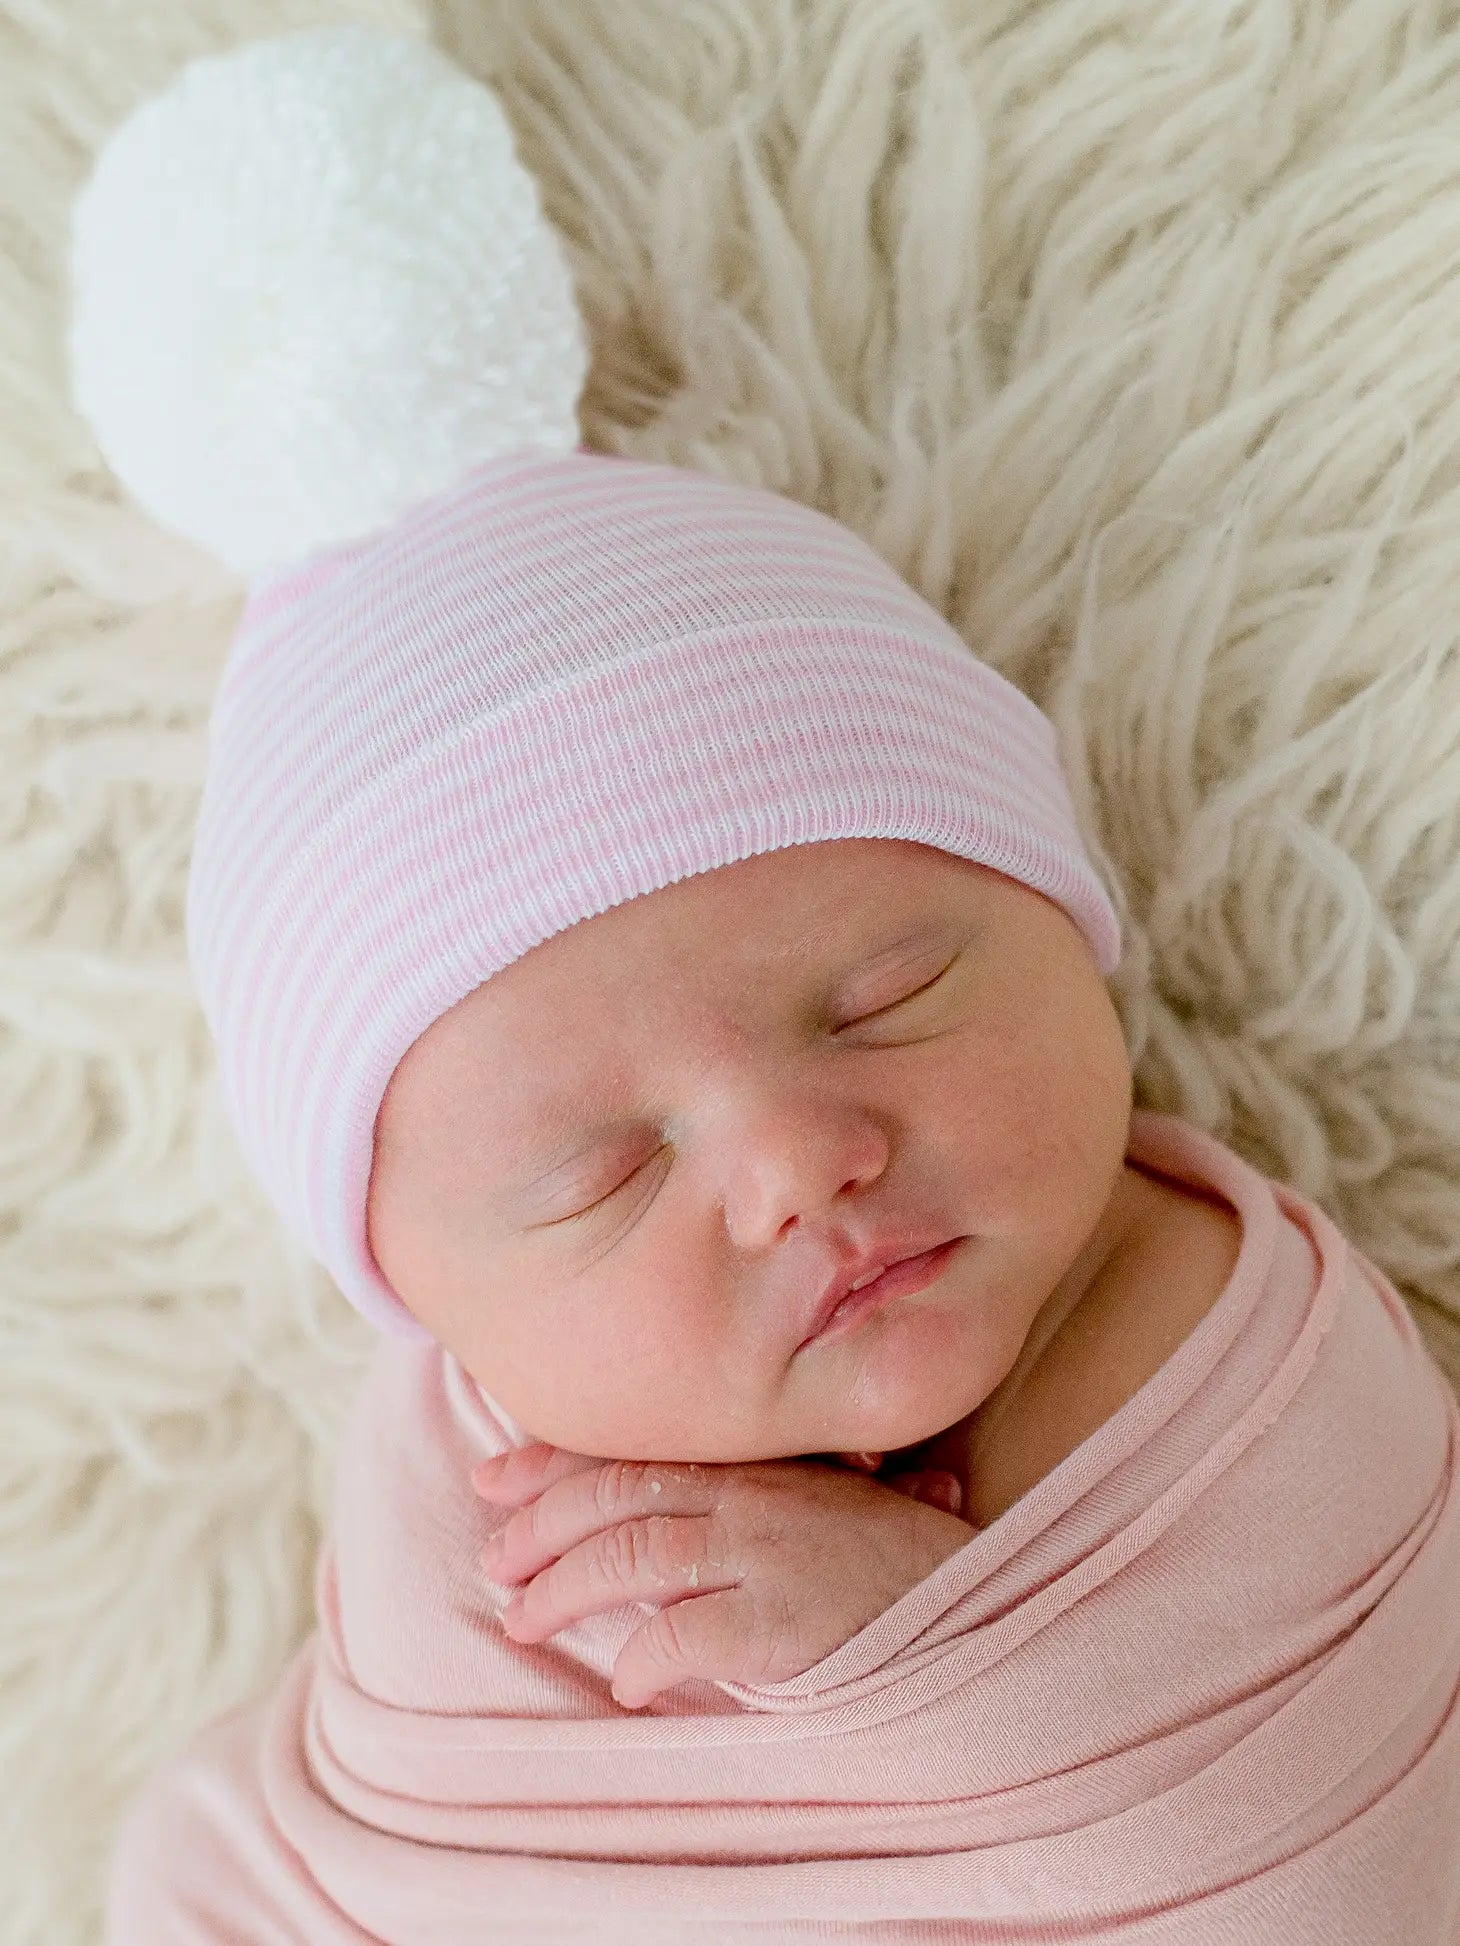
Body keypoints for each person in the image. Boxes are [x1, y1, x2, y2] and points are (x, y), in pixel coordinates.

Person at [71, 24, 1460, 1942]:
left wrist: (913, 1669)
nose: (800, 1162)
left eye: (889, 994)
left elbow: (1351, 1853)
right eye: (595, 1178)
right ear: (429, 1305)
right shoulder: (464, 1546)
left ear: (1066, 921)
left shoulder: (1223, 1350)